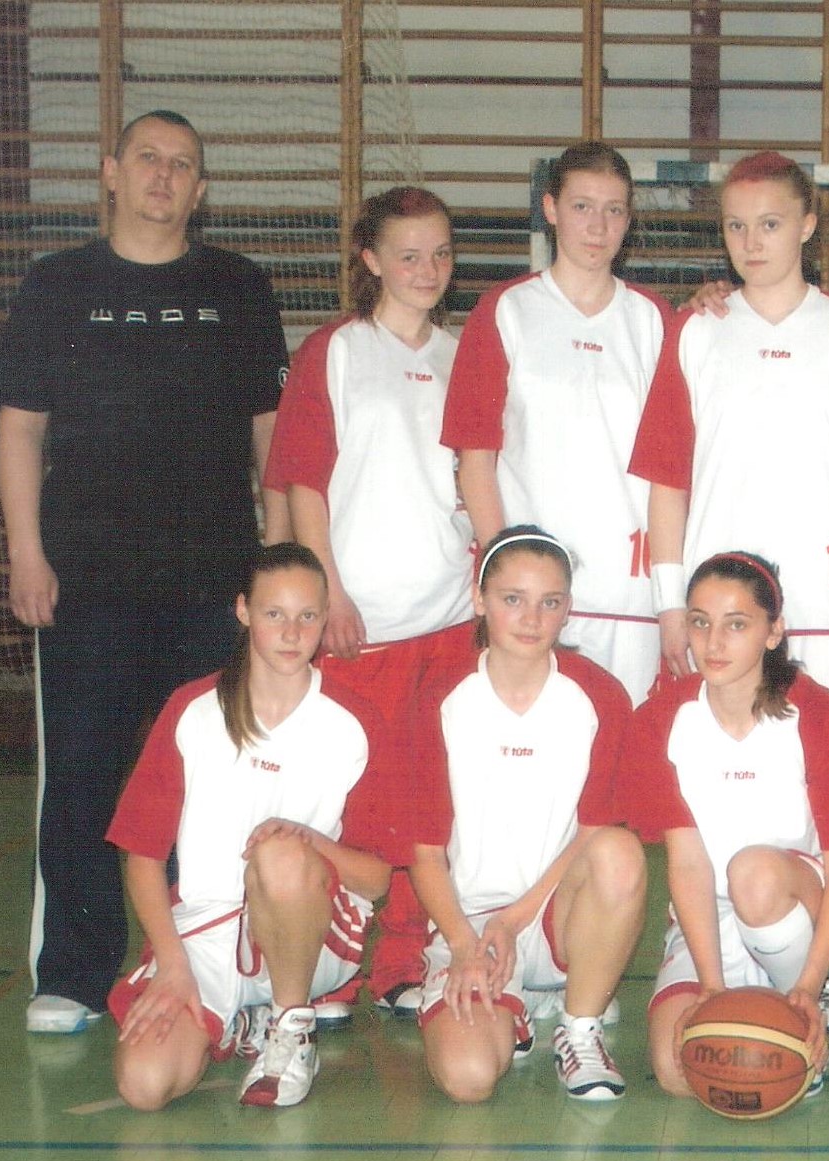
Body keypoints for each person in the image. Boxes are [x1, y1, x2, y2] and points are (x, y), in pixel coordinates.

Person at [0, 109, 291, 1034]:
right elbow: (19, 431)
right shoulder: (57, 284)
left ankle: (210, 964)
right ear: (111, 172)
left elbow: (271, 437)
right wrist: (27, 552)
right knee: (84, 777)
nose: (164, 175)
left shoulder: (238, 285)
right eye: (147, 158)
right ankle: (75, 973)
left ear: (201, 190)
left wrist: (276, 570)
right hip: (88, 583)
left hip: (214, 582)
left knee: (214, 777)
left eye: (182, 164)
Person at [265, 184, 474, 1019]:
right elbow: (302, 480)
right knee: (352, 801)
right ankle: (333, 967)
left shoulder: (464, 354)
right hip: (361, 624)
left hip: (451, 618)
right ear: (371, 260)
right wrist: (329, 592)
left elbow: (475, 476)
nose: (427, 269)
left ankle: (402, 960)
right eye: (408, 254)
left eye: (441, 253)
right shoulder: (337, 351)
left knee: (431, 802)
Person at [104, 544, 405, 1110]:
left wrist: (308, 840)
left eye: (307, 616)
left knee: (280, 852)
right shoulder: (192, 710)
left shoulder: (355, 722)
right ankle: (245, 1022)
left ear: (326, 617)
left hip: (313, 937)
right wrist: (173, 966)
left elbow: (378, 879)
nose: (292, 633)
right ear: (243, 611)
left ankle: (290, 1027)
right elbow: (143, 857)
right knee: (145, 1084)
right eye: (274, 614)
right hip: (207, 930)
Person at [633, 151, 829, 709]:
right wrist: (669, 604)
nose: (751, 242)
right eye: (736, 225)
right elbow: (667, 483)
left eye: (770, 224)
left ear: (807, 225)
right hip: (721, 606)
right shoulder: (695, 330)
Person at [613, 552, 829, 1099]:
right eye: (700, 622)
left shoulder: (819, 717)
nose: (713, 643)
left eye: (736, 625)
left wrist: (808, 985)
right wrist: (711, 987)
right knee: (681, 1073)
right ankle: (752, 998)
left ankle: (810, 994)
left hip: (800, 905)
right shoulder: (660, 721)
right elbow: (687, 863)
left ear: (774, 631)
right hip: (709, 916)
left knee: (751, 872)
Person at [408, 528, 648, 1103]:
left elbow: (595, 832)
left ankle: (580, 1024)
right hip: (470, 924)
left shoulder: (599, 695)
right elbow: (424, 855)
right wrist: (465, 946)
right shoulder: (439, 698)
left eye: (550, 602)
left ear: (568, 607)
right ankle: (518, 1004)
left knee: (619, 853)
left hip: (555, 915)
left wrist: (515, 920)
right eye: (512, 598)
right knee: (468, 1079)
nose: (532, 618)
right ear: (479, 598)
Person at [440, 141, 672, 706]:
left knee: (622, 739)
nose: (598, 226)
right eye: (581, 207)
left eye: (614, 210)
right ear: (550, 209)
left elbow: (673, 469)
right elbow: (476, 459)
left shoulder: (655, 319)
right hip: (532, 593)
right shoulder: (505, 310)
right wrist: (502, 572)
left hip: (629, 588)